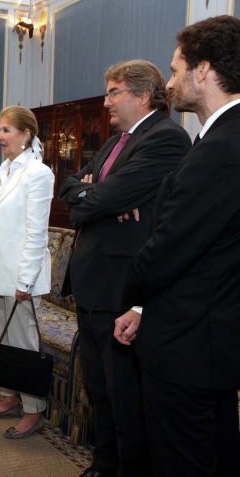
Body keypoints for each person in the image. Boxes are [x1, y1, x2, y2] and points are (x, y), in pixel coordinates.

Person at [114, 16, 240, 477]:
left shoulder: (222, 147)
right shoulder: (219, 138)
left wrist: (129, 293)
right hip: (206, 333)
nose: (169, 83)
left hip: (189, 345)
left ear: (202, 70)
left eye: (174, 69)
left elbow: (168, 248)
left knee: (183, 461)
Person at [59, 60, 191, 477]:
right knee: (98, 387)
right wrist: (95, 197)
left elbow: (100, 199)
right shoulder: (117, 140)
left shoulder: (166, 138)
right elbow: (70, 187)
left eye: (114, 92)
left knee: (124, 394)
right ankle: (104, 462)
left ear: (143, 95)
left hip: (121, 288)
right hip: (91, 283)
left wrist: (97, 197)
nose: (107, 102)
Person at [0, 106, 54, 438]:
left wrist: (25, 281)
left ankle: (34, 411)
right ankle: (9, 398)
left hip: (20, 278)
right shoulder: (3, 169)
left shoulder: (38, 173)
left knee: (22, 344)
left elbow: (37, 234)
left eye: (6, 130)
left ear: (26, 134)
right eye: (0, 129)